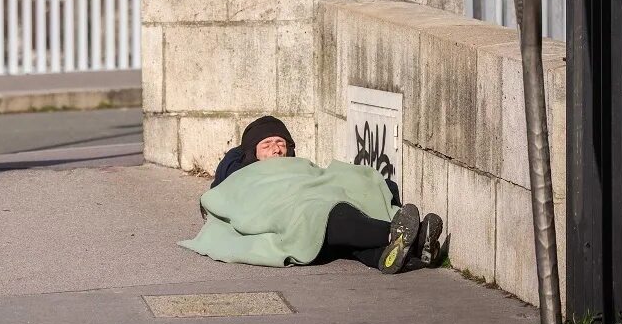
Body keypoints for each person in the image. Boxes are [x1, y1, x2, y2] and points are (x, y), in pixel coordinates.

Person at [183, 116, 443, 274]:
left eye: (281, 143)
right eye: (267, 144)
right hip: (287, 207)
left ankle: (390, 256)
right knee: (320, 213)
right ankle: (405, 235)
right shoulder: (242, 174)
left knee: (338, 207)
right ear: (253, 152)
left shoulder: (298, 165)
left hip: (309, 193)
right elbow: (224, 195)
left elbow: (318, 178)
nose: (276, 149)